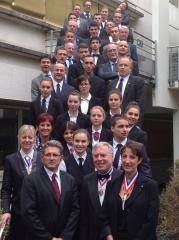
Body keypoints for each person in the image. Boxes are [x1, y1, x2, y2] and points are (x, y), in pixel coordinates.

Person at [21, 140, 80, 240]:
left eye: (55, 155)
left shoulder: (70, 180)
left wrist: (65, 237)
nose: (51, 158)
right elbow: (28, 213)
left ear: (61, 158)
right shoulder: (30, 180)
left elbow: (75, 211)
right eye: (48, 155)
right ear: (42, 158)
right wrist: (49, 238)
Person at [102, 143, 159, 240]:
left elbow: (151, 220)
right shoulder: (112, 184)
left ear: (139, 160)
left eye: (132, 157)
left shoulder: (150, 186)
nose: (127, 161)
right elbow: (104, 214)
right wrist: (108, 235)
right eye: (124, 156)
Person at [0, 125, 42, 240]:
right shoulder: (10, 159)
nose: (27, 140)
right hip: (19, 213)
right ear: (18, 138)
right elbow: (6, 189)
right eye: (24, 137)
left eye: (30, 137)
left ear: (35, 138)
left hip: (40, 213)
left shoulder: (42, 157)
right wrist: (6, 211)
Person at [79, 142, 121, 240]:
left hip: (115, 235)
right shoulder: (86, 180)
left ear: (112, 157)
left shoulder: (122, 178)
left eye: (103, 155)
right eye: (96, 156)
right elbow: (83, 215)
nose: (99, 159)